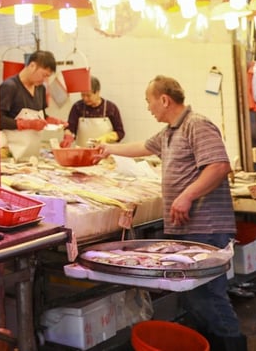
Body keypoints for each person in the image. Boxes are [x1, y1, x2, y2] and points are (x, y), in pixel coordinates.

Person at [100, 75, 245, 351]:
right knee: (194, 299)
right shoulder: (169, 132)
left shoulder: (196, 124)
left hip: (206, 228)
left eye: (149, 101)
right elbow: (142, 147)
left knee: (210, 298)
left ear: (164, 100)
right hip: (187, 229)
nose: (148, 108)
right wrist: (107, 149)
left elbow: (218, 166)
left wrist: (187, 195)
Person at [0, 50, 63, 130]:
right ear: (32, 66)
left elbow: (41, 116)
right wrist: (25, 124)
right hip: (12, 138)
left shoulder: (41, 89)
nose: (44, 80)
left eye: (47, 77)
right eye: (44, 75)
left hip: (33, 138)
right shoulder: (9, 86)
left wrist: (51, 120)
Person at [66, 76, 125, 145]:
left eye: (88, 95)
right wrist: (67, 137)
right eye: (82, 95)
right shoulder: (77, 107)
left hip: (105, 150)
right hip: (82, 149)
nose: (85, 99)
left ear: (98, 92)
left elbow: (120, 132)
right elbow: (70, 128)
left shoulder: (110, 108)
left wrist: (106, 138)